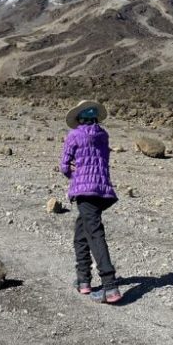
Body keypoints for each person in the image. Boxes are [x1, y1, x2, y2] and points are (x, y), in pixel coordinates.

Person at [59, 99, 121, 304]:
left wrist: (74, 174)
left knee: (94, 234)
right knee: (81, 233)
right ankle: (83, 279)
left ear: (78, 118)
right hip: (103, 190)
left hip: (84, 191)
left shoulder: (74, 135)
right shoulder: (103, 135)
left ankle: (110, 286)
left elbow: (64, 166)